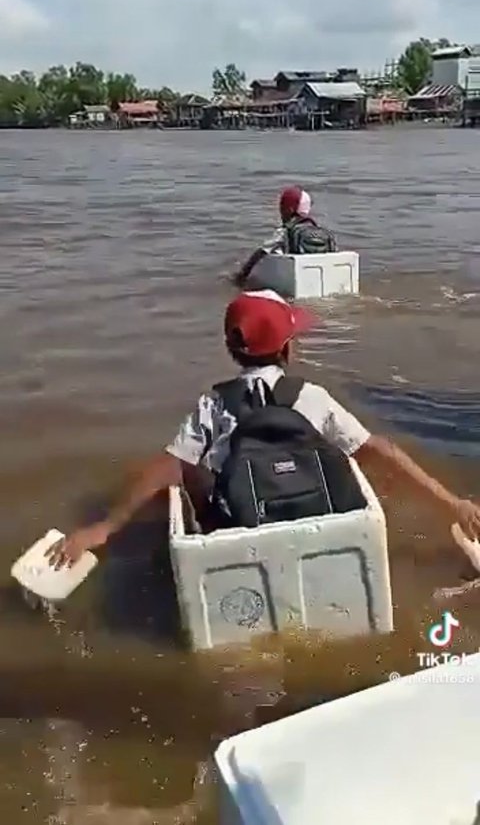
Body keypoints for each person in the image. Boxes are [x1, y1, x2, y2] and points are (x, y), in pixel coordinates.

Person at [50, 289, 480, 567]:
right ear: (289, 349)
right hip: (318, 526)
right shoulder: (312, 396)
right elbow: (381, 450)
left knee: (188, 473)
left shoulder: (214, 403)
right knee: (350, 456)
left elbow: (167, 467)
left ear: (230, 348)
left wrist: (104, 527)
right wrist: (452, 503)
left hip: (240, 529)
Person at [234, 186, 337, 286]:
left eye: (282, 208)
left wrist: (242, 275)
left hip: (297, 283)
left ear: (290, 210)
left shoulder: (284, 231)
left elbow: (261, 252)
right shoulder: (323, 233)